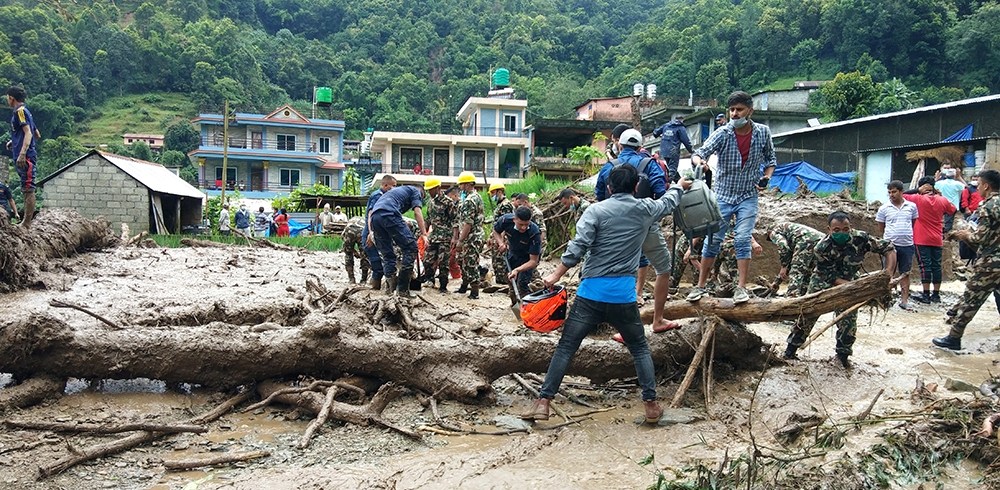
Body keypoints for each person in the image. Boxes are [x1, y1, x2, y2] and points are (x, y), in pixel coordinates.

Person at [520, 164, 690, 424]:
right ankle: (651, 406)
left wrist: (556, 275)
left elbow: (578, 246)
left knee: (566, 347)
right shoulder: (644, 209)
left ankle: (543, 402)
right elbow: (668, 202)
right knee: (639, 348)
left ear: (609, 187)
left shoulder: (595, 210)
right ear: (635, 187)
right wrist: (679, 186)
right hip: (623, 296)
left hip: (591, 294)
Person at [687, 91, 777, 305]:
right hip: (723, 196)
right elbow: (700, 152)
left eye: (739, 110)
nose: (735, 114)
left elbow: (771, 160)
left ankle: (741, 288)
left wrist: (766, 177)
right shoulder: (723, 133)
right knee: (713, 240)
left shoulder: (763, 133)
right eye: (732, 110)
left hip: (748, 196)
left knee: (743, 238)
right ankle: (700, 286)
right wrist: (700, 162)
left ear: (750, 111)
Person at [784, 211, 896, 368]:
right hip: (823, 281)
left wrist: (888, 274)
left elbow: (889, 248)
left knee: (848, 318)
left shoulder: (861, 238)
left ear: (851, 227)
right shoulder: (822, 248)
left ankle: (842, 357)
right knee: (808, 313)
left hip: (851, 278)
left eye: (845, 229)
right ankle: (790, 350)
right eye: (836, 230)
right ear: (829, 229)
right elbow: (831, 277)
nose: (841, 233)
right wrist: (857, 288)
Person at [594, 128, 677, 331]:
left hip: (612, 227)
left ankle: (615, 323)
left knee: (616, 270)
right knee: (663, 269)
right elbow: (661, 192)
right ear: (641, 148)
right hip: (644, 223)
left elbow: (599, 195)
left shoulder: (609, 167)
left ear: (619, 146)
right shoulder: (650, 165)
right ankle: (657, 320)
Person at [932, 169, 1000, 351]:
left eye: (978, 185)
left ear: (986, 186)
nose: (977, 189)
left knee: (971, 299)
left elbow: (981, 238)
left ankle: (953, 338)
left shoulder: (988, 206)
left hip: (991, 263)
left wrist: (963, 235)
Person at [366, 184, 427, 297]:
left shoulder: (396, 193)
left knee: (388, 255)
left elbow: (372, 213)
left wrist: (371, 231)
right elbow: (417, 212)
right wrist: (424, 234)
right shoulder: (415, 191)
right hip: (389, 214)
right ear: (421, 193)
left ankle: (390, 290)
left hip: (375, 217)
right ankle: (403, 290)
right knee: (411, 248)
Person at [904, 176, 956, 304]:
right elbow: (953, 210)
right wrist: (947, 227)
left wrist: (917, 190)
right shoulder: (942, 200)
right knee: (936, 266)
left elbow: (902, 194)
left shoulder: (917, 199)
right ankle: (936, 295)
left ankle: (926, 295)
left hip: (921, 238)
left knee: (924, 266)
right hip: (937, 238)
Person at [876, 181, 920, 310]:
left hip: (907, 244)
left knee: (905, 273)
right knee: (887, 273)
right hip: (890, 246)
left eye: (894, 192)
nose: (891, 195)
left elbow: (913, 222)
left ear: (901, 192)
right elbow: (881, 227)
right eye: (889, 192)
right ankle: (885, 300)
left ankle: (904, 300)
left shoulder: (911, 206)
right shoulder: (884, 208)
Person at [492, 206, 542, 305]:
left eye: (526, 224)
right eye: (521, 224)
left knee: (522, 284)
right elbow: (496, 231)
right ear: (514, 219)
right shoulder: (505, 220)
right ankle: (515, 305)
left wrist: (517, 270)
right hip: (513, 253)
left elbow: (533, 261)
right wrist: (501, 243)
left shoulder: (534, 233)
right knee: (510, 280)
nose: (523, 227)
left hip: (527, 258)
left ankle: (529, 307)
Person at [765, 222, 825, 298]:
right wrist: (777, 282)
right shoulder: (790, 230)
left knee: (796, 272)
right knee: (807, 273)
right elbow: (790, 261)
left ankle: (791, 297)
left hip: (806, 242)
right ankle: (805, 297)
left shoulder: (774, 231)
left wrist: (783, 266)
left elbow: (783, 246)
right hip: (822, 241)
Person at [6, 86, 38, 228]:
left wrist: (23, 152)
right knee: (25, 187)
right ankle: (26, 221)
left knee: (28, 188)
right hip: (23, 154)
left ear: (11, 98)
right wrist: (15, 142)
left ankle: (26, 223)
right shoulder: (26, 112)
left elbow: (29, 134)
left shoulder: (20, 112)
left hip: (25, 157)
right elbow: (36, 133)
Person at [421, 179, 459, 293]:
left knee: (443, 263)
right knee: (427, 260)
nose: (429, 193)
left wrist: (455, 237)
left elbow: (455, 220)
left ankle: (443, 286)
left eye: (431, 190)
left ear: (437, 188)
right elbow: (428, 219)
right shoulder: (430, 203)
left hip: (445, 238)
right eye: (428, 190)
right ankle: (430, 280)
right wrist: (423, 233)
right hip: (433, 237)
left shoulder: (448, 202)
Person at [455, 171, 485, 299]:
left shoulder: (469, 200)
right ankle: (464, 286)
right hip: (475, 236)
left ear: (467, 184)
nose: (460, 188)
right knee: (463, 261)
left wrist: (460, 240)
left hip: (471, 237)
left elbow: (468, 223)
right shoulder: (476, 197)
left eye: (461, 185)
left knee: (470, 264)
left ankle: (474, 292)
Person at [363, 175, 397, 290]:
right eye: (393, 186)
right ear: (385, 185)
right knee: (377, 264)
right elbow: (371, 215)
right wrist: (371, 232)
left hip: (379, 235)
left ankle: (379, 289)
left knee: (383, 262)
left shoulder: (386, 197)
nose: (395, 189)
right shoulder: (377, 196)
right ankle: (374, 289)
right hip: (371, 234)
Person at [652, 115, 693, 183]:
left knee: (670, 169)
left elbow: (655, 133)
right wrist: (691, 151)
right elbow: (686, 141)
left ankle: (679, 182)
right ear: (682, 120)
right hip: (673, 151)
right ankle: (667, 184)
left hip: (663, 151)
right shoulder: (680, 128)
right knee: (672, 170)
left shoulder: (666, 125)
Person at [489, 182, 515, 285]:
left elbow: (506, 224)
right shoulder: (500, 205)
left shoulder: (506, 205)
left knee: (501, 261)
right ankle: (500, 282)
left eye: (493, 193)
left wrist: (502, 241)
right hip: (497, 236)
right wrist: (491, 237)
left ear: (499, 191)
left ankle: (505, 283)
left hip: (502, 238)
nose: (491, 195)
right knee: (496, 261)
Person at [935, 163, 965, 233]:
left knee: (943, 221)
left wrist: (936, 179)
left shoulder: (940, 183)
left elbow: (933, 186)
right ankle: (947, 234)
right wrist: (959, 177)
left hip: (942, 205)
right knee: (949, 222)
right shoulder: (957, 184)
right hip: (953, 205)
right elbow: (966, 188)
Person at [341, 216, 370, 284]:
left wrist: (352, 251)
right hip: (361, 231)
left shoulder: (349, 222)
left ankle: (351, 279)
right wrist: (356, 252)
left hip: (350, 230)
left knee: (348, 255)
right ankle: (363, 280)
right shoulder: (365, 221)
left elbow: (343, 238)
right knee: (364, 256)